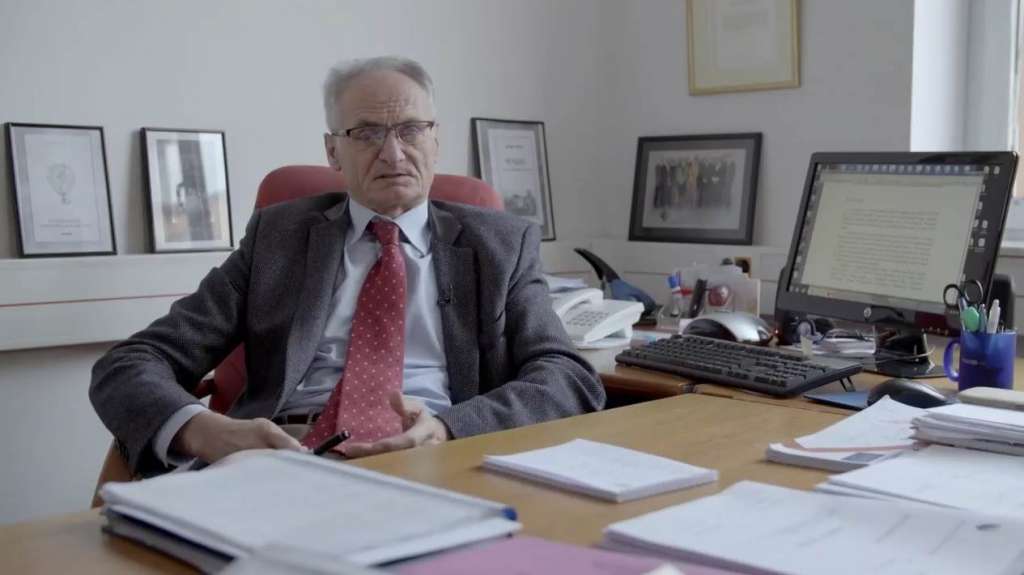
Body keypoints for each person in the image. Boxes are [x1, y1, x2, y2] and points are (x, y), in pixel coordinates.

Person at [90, 56, 604, 476]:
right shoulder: (279, 238)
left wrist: (453, 427)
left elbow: (568, 378)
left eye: (411, 130)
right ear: (333, 151)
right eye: (367, 133)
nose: (393, 153)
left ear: (435, 139)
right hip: (284, 456)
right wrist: (204, 430)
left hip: (435, 456)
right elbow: (132, 362)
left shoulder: (501, 244)